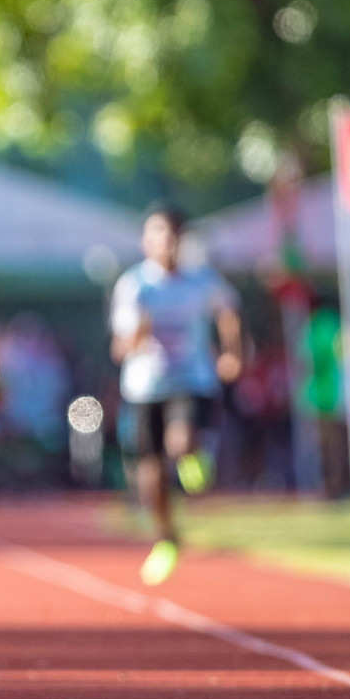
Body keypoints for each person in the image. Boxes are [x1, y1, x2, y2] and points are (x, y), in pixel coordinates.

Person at [110, 203, 242, 586]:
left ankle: (193, 454)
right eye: (157, 234)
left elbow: (228, 311)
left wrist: (232, 350)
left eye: (171, 235)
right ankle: (167, 537)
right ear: (145, 241)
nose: (165, 243)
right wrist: (137, 337)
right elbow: (120, 348)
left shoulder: (201, 281)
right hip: (144, 387)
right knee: (149, 475)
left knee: (179, 442)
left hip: (190, 381)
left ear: (182, 240)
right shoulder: (135, 286)